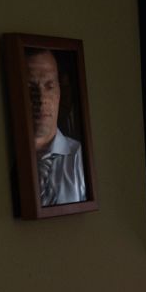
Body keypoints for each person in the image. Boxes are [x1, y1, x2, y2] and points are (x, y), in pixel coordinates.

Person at [26, 48, 86, 207]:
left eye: (49, 86)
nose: (41, 99)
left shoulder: (81, 160)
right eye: (30, 88)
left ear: (60, 92)